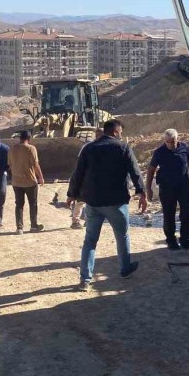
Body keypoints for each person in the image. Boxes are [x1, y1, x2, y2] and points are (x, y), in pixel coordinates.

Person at [67, 119, 148, 291]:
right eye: (121, 133)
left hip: (93, 202)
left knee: (90, 240)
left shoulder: (89, 148)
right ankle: (125, 269)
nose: (121, 136)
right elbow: (135, 171)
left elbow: (78, 173)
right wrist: (142, 192)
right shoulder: (123, 147)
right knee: (122, 236)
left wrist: (71, 194)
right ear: (116, 132)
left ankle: (85, 279)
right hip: (116, 203)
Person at [147, 128, 189, 250]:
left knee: (186, 213)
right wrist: (148, 189)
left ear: (177, 139)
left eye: (173, 141)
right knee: (169, 214)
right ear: (164, 141)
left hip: (183, 186)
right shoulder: (159, 152)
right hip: (166, 188)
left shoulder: (185, 148)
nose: (170, 144)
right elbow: (151, 170)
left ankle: (185, 240)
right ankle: (171, 241)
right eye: (168, 142)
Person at [8, 131, 45, 234]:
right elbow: (35, 165)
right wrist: (41, 177)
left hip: (16, 181)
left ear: (20, 138)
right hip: (30, 181)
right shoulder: (31, 148)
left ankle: (19, 228)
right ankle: (33, 226)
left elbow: (10, 165)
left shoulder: (12, 149)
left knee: (19, 204)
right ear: (29, 138)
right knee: (33, 203)